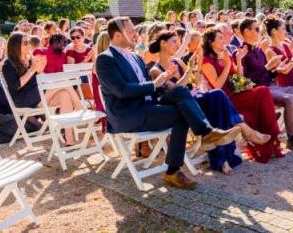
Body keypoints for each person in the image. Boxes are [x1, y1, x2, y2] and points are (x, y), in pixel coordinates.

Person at [95, 16, 240, 189]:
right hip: (127, 113)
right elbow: (121, 91)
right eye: (131, 31)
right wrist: (154, 83)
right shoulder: (105, 59)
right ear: (118, 36)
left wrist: (163, 80)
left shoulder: (136, 57)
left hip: (147, 104)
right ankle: (175, 169)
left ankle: (206, 133)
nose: (136, 34)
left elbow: (150, 87)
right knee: (181, 115)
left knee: (179, 91)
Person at [149, 31, 269, 174]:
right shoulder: (156, 70)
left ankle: (223, 158)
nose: (178, 45)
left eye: (178, 41)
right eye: (174, 41)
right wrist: (189, 71)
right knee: (217, 96)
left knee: (218, 100)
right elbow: (176, 90)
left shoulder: (178, 62)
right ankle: (246, 132)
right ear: (163, 43)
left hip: (192, 96)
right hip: (179, 105)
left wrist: (196, 65)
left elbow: (196, 83)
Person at [235, 18, 293, 152]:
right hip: (260, 91)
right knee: (290, 99)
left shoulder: (258, 50)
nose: (260, 32)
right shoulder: (241, 53)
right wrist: (268, 68)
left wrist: (276, 70)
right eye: (257, 29)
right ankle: (292, 138)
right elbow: (246, 81)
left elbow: (271, 74)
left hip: (275, 86)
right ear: (247, 31)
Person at [201, 27, 282, 163]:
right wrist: (227, 65)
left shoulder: (225, 55)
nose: (223, 41)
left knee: (262, 92)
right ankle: (266, 135)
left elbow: (239, 78)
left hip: (238, 93)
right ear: (211, 42)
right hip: (226, 100)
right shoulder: (206, 61)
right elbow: (217, 87)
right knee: (262, 92)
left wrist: (238, 60)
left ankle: (271, 139)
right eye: (220, 38)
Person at [2, 32, 82, 146]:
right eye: (25, 42)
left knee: (65, 94)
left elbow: (41, 78)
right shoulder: (8, 63)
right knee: (63, 83)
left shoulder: (30, 60)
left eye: (28, 42)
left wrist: (40, 70)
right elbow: (16, 85)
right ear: (16, 45)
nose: (28, 45)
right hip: (24, 99)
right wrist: (33, 70)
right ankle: (80, 108)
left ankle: (69, 139)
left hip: (39, 95)